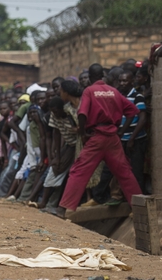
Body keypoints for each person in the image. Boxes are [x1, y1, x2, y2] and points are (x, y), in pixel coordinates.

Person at [58, 64, 142, 213]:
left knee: (79, 170)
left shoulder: (89, 91)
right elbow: (132, 111)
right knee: (124, 172)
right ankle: (139, 206)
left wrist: (83, 134)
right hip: (113, 137)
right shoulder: (113, 91)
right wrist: (121, 131)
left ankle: (65, 207)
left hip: (96, 136)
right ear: (102, 75)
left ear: (90, 77)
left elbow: (82, 114)